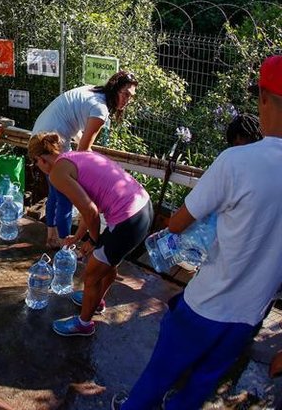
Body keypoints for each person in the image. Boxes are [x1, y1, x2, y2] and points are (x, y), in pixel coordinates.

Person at [112, 55, 282, 410]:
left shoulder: (237, 161)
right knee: (199, 388)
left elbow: (177, 223)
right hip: (250, 314)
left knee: (158, 377)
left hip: (207, 303)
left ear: (264, 98)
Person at [28, 132, 153, 337]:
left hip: (127, 219)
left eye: (36, 165)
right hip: (143, 207)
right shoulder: (76, 157)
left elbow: (91, 211)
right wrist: (78, 237)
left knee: (92, 273)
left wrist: (94, 241)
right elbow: (89, 206)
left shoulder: (57, 173)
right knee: (108, 263)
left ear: (40, 159)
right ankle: (96, 301)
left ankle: (84, 324)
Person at [31, 71, 138, 248]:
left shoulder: (93, 91)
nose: (127, 100)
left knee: (54, 191)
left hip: (39, 137)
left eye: (131, 96)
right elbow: (82, 153)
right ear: (115, 89)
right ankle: (65, 245)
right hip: (51, 142)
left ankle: (51, 237)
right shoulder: (100, 109)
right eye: (125, 93)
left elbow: (78, 134)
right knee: (66, 195)